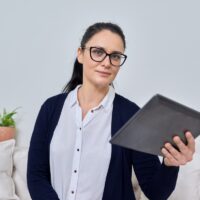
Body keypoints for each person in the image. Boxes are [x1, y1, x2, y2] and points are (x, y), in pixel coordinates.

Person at [27, 22, 195, 200]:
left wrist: (170, 164)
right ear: (80, 54)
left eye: (115, 56)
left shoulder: (131, 116)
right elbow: (36, 176)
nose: (107, 63)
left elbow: (156, 192)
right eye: (98, 52)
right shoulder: (51, 109)